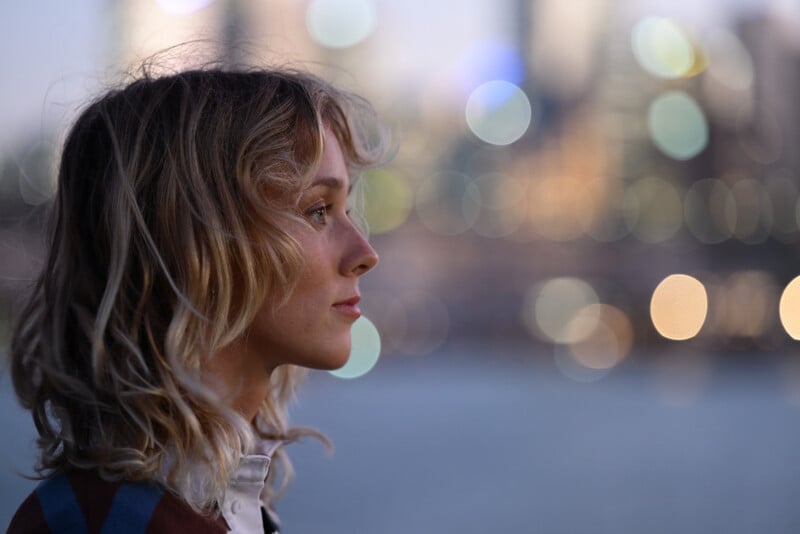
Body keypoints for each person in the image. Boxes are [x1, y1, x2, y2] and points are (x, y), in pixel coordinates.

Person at [7, 65, 386, 533]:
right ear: (197, 244)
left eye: (346, 210)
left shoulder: (191, 508)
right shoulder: (116, 521)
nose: (365, 255)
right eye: (317, 211)